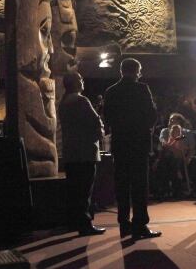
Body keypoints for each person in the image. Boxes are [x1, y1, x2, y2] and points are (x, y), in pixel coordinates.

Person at [103, 58, 161, 239]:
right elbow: (152, 115)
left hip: (120, 143)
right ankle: (140, 224)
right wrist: (144, 128)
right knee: (139, 185)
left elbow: (107, 118)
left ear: (121, 71)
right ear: (137, 71)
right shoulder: (142, 89)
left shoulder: (111, 91)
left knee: (122, 184)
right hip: (139, 143)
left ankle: (123, 224)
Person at [59, 72, 107, 236]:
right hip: (85, 152)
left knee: (74, 190)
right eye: (80, 78)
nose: (83, 80)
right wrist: (99, 131)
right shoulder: (81, 101)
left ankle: (73, 222)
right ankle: (85, 224)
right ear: (75, 83)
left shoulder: (63, 102)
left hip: (70, 152)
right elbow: (95, 123)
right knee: (85, 190)